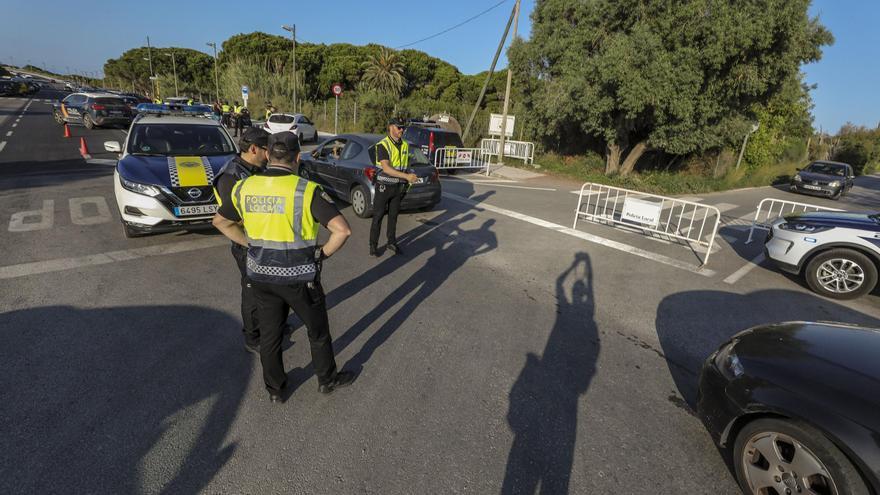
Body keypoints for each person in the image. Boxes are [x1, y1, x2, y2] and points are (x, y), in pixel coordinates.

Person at [213, 132, 356, 403]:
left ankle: (275, 390)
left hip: (260, 276)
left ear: (268, 154)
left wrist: (248, 244)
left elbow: (219, 222)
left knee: (269, 334)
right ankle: (327, 379)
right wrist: (320, 255)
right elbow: (343, 230)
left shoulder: (244, 187)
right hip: (299, 278)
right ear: (298, 157)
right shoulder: (305, 189)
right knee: (318, 331)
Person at [212, 127, 276, 355]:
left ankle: (271, 323)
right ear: (253, 149)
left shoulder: (256, 167)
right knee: (252, 290)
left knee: (268, 287)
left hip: (263, 239)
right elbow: (229, 218)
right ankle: (252, 337)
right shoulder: (231, 176)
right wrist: (249, 243)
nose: (269, 156)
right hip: (246, 243)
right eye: (266, 150)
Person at [369, 117, 418, 257]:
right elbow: (386, 168)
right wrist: (406, 177)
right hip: (384, 186)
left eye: (403, 127)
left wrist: (410, 174)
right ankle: (373, 245)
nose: (402, 130)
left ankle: (391, 242)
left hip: (398, 187)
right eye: (399, 127)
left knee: (393, 216)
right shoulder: (383, 145)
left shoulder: (405, 145)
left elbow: (405, 165)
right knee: (378, 216)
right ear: (390, 127)